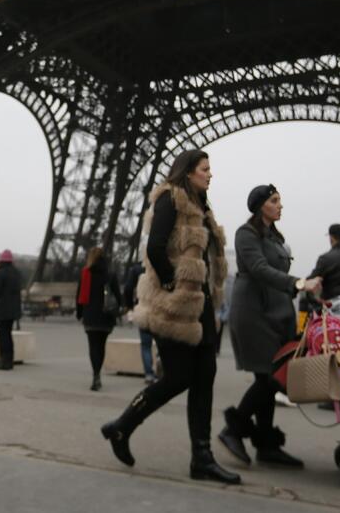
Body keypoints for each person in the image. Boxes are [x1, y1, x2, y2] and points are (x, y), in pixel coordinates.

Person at [100, 150, 240, 485]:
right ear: (189, 172)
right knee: (178, 377)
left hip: (202, 307)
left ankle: (202, 458)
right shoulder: (170, 198)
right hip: (175, 307)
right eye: (206, 169)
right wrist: (172, 284)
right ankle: (122, 427)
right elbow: (155, 248)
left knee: (205, 375)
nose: (210, 174)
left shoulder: (203, 208)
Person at [218, 184, 322, 469]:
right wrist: (299, 284)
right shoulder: (246, 233)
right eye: (275, 201)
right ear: (260, 205)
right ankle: (234, 429)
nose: (280, 205)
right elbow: (258, 269)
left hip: (276, 312)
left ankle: (265, 444)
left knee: (269, 376)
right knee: (270, 377)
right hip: (253, 311)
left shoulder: (275, 237)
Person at [76, 246, 122, 390]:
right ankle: (97, 373)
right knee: (101, 346)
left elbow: (79, 296)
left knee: (93, 346)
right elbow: (118, 296)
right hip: (106, 316)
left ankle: (96, 375)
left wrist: (79, 313)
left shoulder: (85, 274)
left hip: (90, 315)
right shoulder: (110, 274)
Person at [123, 261, 156, 384]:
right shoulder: (163, 265)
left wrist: (129, 306)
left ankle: (149, 374)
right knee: (162, 343)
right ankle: (161, 366)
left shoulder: (137, 270)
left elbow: (127, 288)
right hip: (159, 309)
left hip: (143, 309)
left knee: (146, 345)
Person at [0, 249, 23, 370]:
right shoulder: (16, 273)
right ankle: (10, 360)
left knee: (3, 335)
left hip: (2, 308)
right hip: (13, 309)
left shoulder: (0, 273)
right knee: (8, 334)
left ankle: (3, 361)